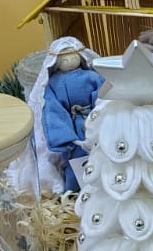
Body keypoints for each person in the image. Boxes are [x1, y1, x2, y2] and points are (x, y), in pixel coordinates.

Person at [27, 37, 104, 192]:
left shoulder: (93, 77)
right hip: (72, 128)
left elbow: (102, 97)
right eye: (63, 58)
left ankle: (103, 185)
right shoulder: (53, 84)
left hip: (93, 120)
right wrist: (64, 137)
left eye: (73, 55)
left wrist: (99, 117)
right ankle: (73, 190)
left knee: (101, 152)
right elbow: (53, 110)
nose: (69, 60)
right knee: (75, 157)